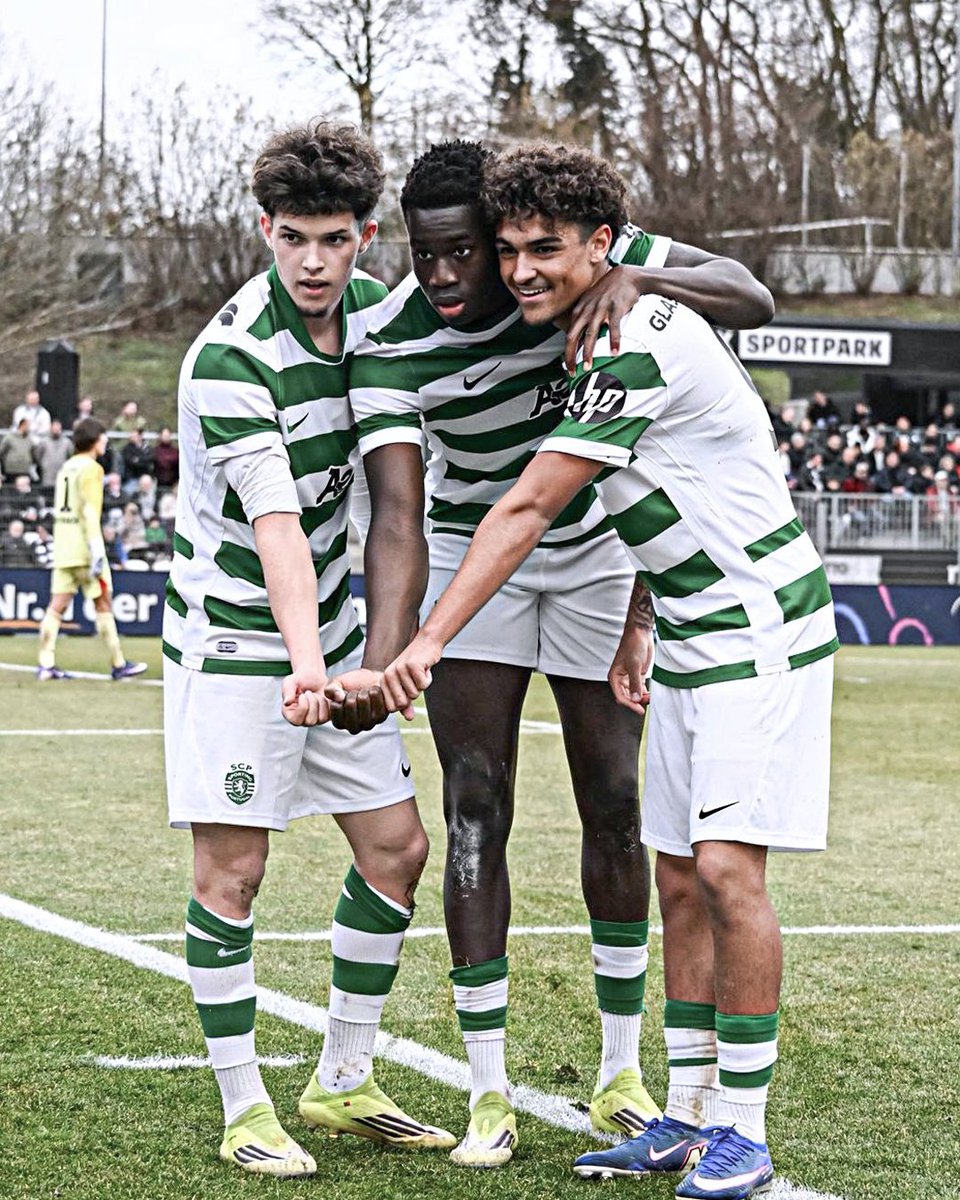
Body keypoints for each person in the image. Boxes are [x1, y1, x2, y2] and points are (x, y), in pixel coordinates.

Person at [376, 142, 837, 1199]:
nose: (523, 269)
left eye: (547, 249)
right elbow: (665, 490)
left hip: (759, 628)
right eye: (511, 251)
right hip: (691, 624)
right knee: (675, 875)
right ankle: (682, 1116)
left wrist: (425, 643)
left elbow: (531, 506)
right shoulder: (593, 324)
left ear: (604, 246)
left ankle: (746, 1133)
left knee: (726, 873)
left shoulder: (636, 334)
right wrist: (643, 616)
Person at [163, 119, 450, 1180]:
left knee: (397, 849)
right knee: (234, 871)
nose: (316, 263)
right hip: (240, 639)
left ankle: (341, 1080)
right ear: (265, 232)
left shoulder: (379, 316)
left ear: (367, 235)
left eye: (336, 239)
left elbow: (389, 502)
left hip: (329, 639)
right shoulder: (233, 357)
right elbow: (278, 528)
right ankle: (245, 1109)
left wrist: (367, 660)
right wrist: (308, 669)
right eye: (295, 239)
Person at [35, 417, 148, 682]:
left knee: (56, 607)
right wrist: (97, 548)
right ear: (94, 440)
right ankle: (119, 663)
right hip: (85, 548)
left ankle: (45, 663)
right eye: (103, 437)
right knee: (103, 603)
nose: (106, 442)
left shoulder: (66, 468)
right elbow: (89, 509)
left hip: (64, 547)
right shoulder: (92, 469)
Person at [35, 418, 73, 489]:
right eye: (54, 428)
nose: (56, 430)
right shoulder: (43, 442)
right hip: (47, 475)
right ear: (51, 428)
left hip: (62, 474)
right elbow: (38, 456)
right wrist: (44, 465)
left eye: (57, 428)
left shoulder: (67, 443)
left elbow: (71, 457)